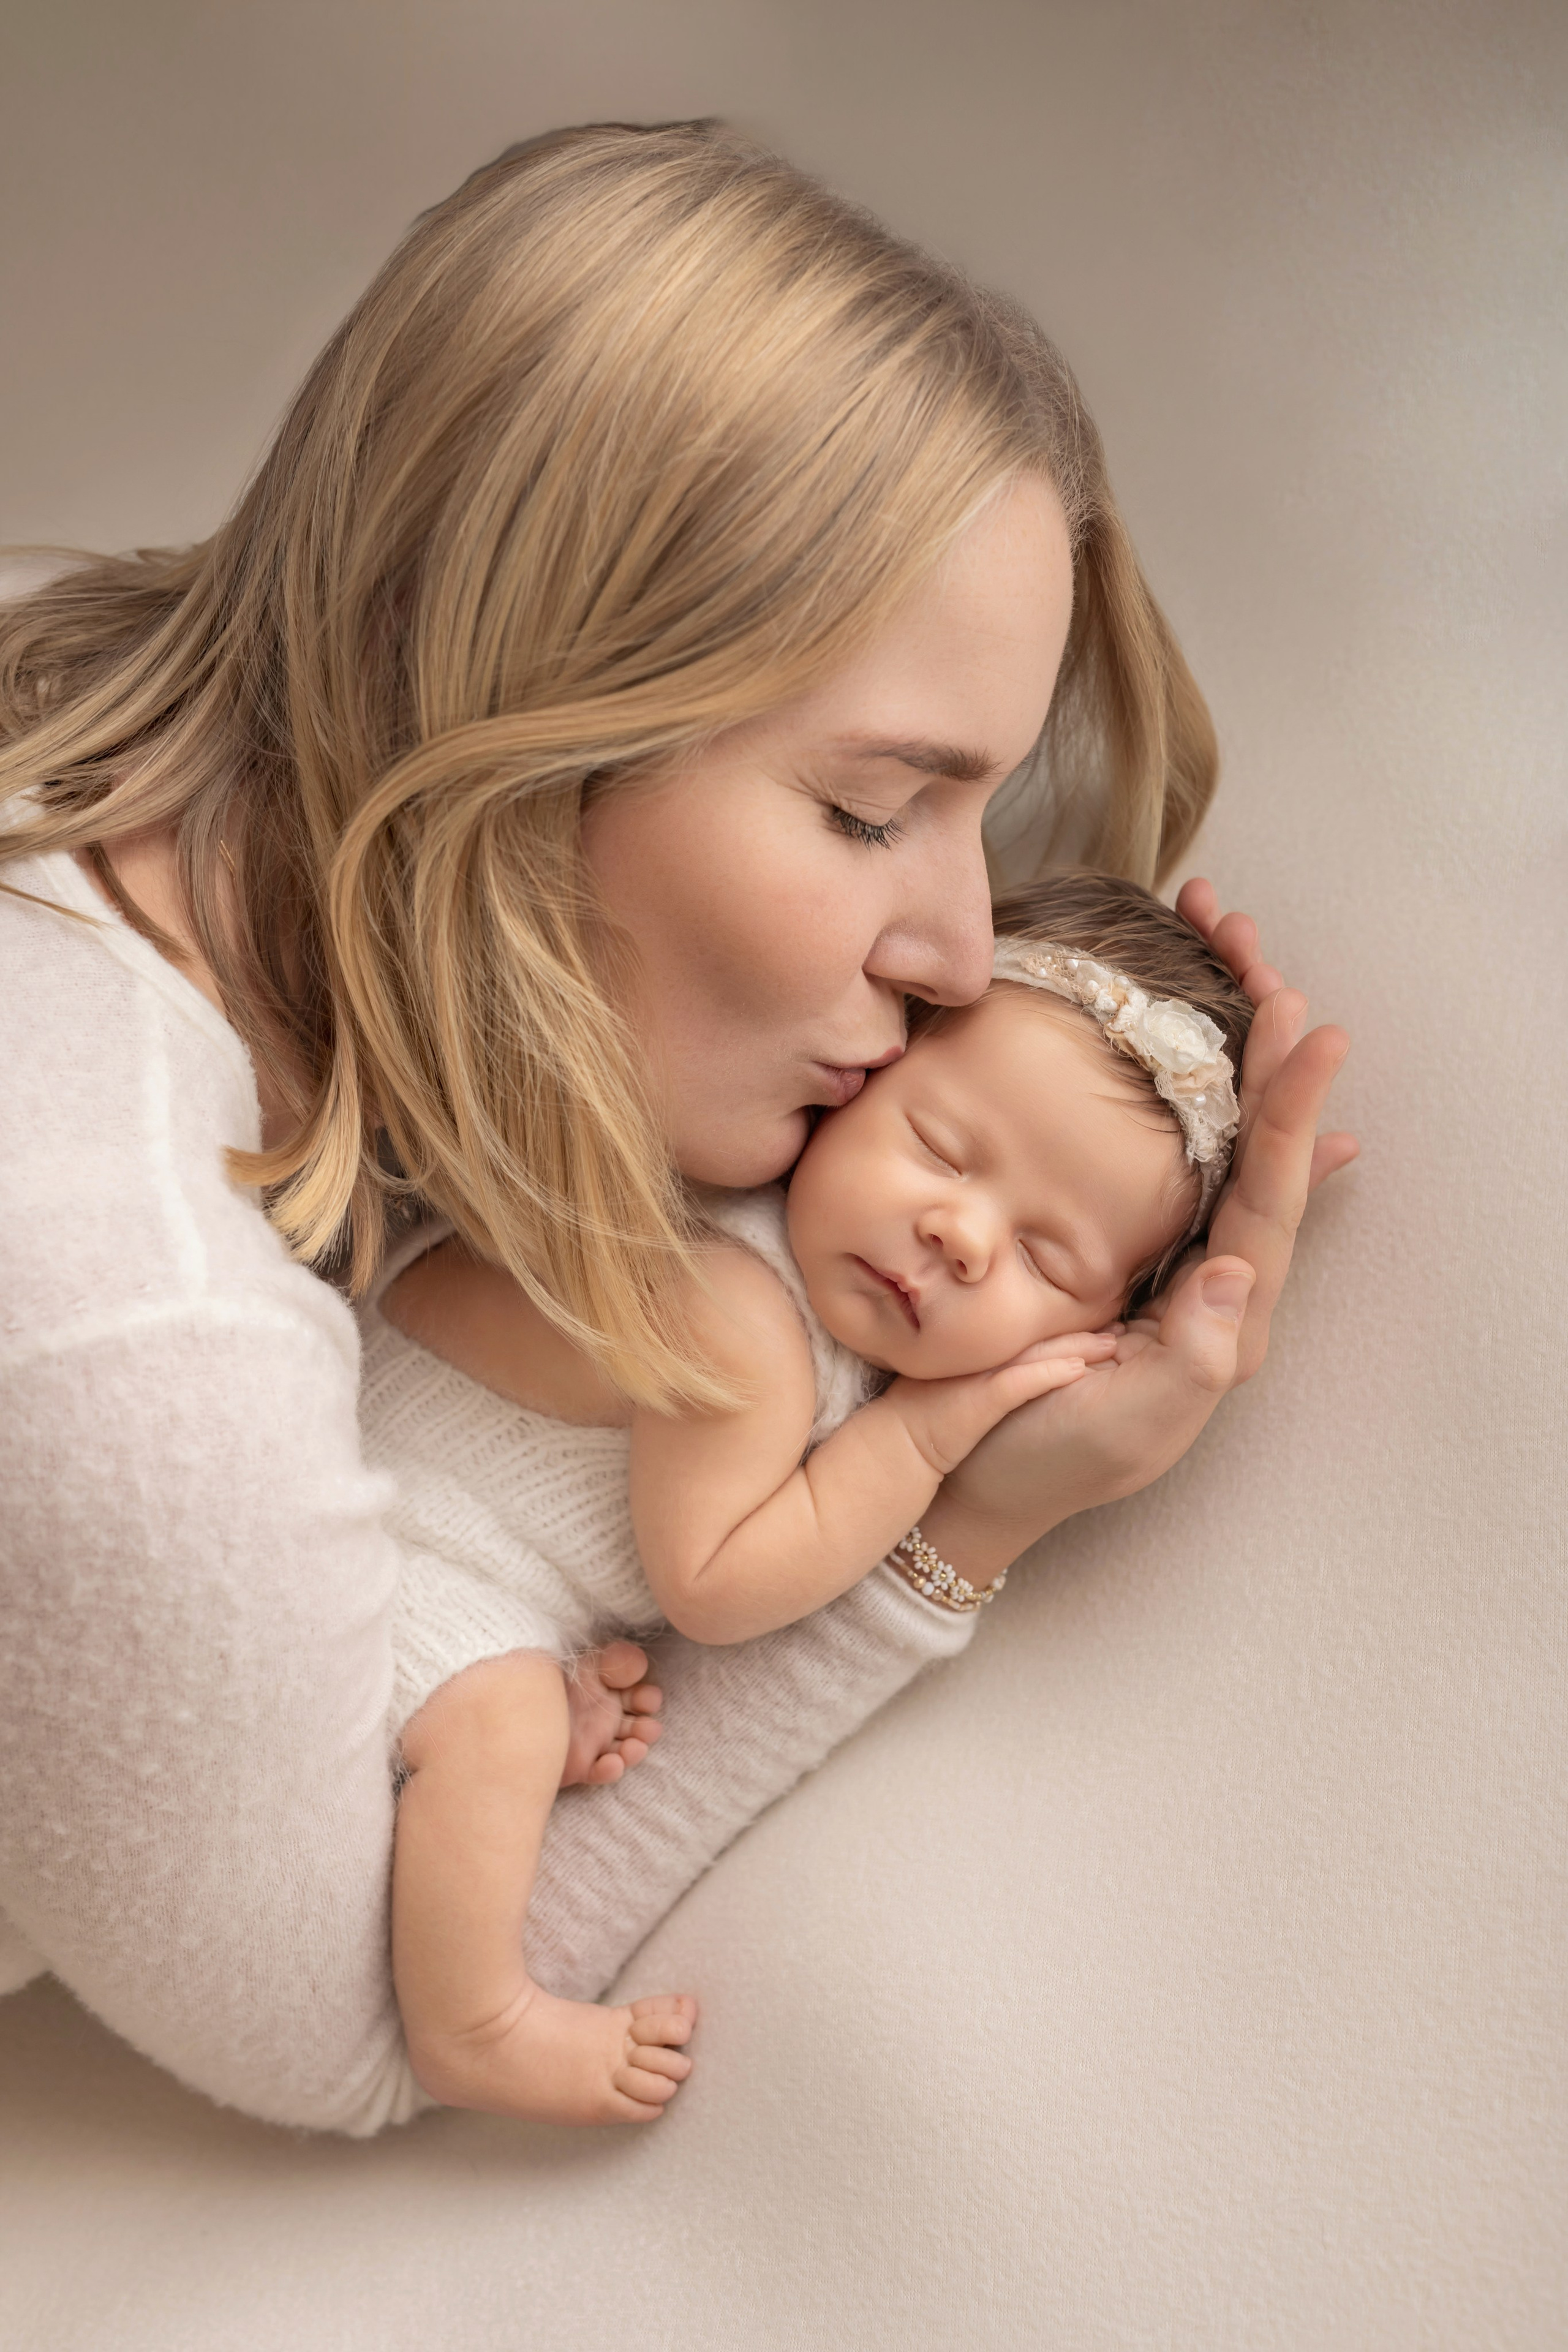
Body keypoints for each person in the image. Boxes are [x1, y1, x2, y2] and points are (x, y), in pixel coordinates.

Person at [0, 120, 1353, 2135]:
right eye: (872, 810)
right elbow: (364, 2034)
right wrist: (972, 1514)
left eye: (986, 821)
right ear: (516, 708)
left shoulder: (74, 657)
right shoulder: (121, 1340)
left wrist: (1120, 1031)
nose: (967, 951)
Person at [379, 871, 1275, 2126]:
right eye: (942, 1149)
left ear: (1095, 1328)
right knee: (504, 1723)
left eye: (1041, 1256)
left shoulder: (792, 1284)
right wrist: (922, 1438)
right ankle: (474, 2023)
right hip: (383, 1548)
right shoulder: (738, 1313)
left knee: (529, 1701)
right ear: (863, 1078)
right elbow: (720, 1588)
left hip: (434, 1542)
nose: (960, 1235)